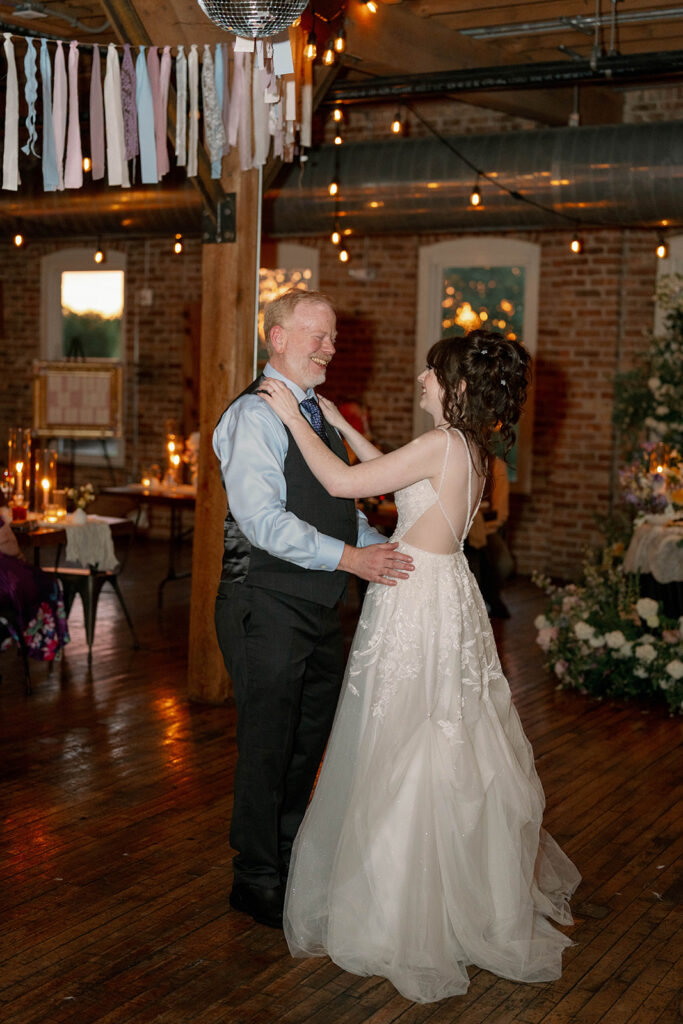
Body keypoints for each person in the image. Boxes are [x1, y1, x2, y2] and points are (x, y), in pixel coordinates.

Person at [259, 329, 581, 1004]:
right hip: (444, 592)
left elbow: (346, 482)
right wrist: (344, 423)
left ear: (456, 386)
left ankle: (401, 908)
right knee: (440, 739)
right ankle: (454, 891)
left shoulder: (442, 444)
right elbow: (400, 477)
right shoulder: (466, 447)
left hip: (414, 602)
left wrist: (292, 415)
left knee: (402, 742)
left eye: (430, 373)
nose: (420, 380)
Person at [212, 288, 414, 930]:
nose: (330, 347)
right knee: (268, 744)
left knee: (307, 740)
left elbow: (336, 506)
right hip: (263, 602)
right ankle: (255, 877)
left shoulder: (313, 411)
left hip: (320, 606)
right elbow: (263, 521)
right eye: (317, 336)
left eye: (331, 337)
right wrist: (354, 562)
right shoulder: (254, 416)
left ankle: (290, 852)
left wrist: (391, 552)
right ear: (276, 336)